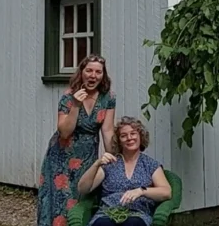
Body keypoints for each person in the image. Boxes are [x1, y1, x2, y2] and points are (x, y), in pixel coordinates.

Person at [37, 55, 116, 226]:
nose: (93, 75)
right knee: (61, 202)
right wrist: (76, 106)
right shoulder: (69, 96)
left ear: (103, 75)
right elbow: (64, 132)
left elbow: (108, 130)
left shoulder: (107, 97)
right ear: (82, 73)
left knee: (81, 198)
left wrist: (114, 157)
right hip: (62, 156)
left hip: (87, 156)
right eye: (89, 71)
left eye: (98, 72)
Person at [77, 116, 172, 226]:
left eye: (133, 133)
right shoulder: (110, 164)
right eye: (123, 136)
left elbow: (166, 192)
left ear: (140, 136)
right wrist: (96, 164)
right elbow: (83, 189)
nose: (129, 138)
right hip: (107, 214)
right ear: (119, 141)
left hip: (137, 214)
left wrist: (141, 191)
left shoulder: (150, 164)